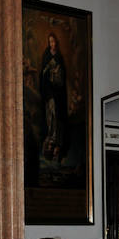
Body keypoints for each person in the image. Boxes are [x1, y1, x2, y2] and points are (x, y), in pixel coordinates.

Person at [40, 33, 68, 162]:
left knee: (57, 115)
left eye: (54, 41)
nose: (52, 44)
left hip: (58, 91)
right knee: (50, 114)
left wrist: (57, 72)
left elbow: (63, 76)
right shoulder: (46, 55)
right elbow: (43, 72)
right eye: (50, 41)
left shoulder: (59, 56)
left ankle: (55, 139)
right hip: (49, 91)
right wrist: (49, 70)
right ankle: (50, 136)